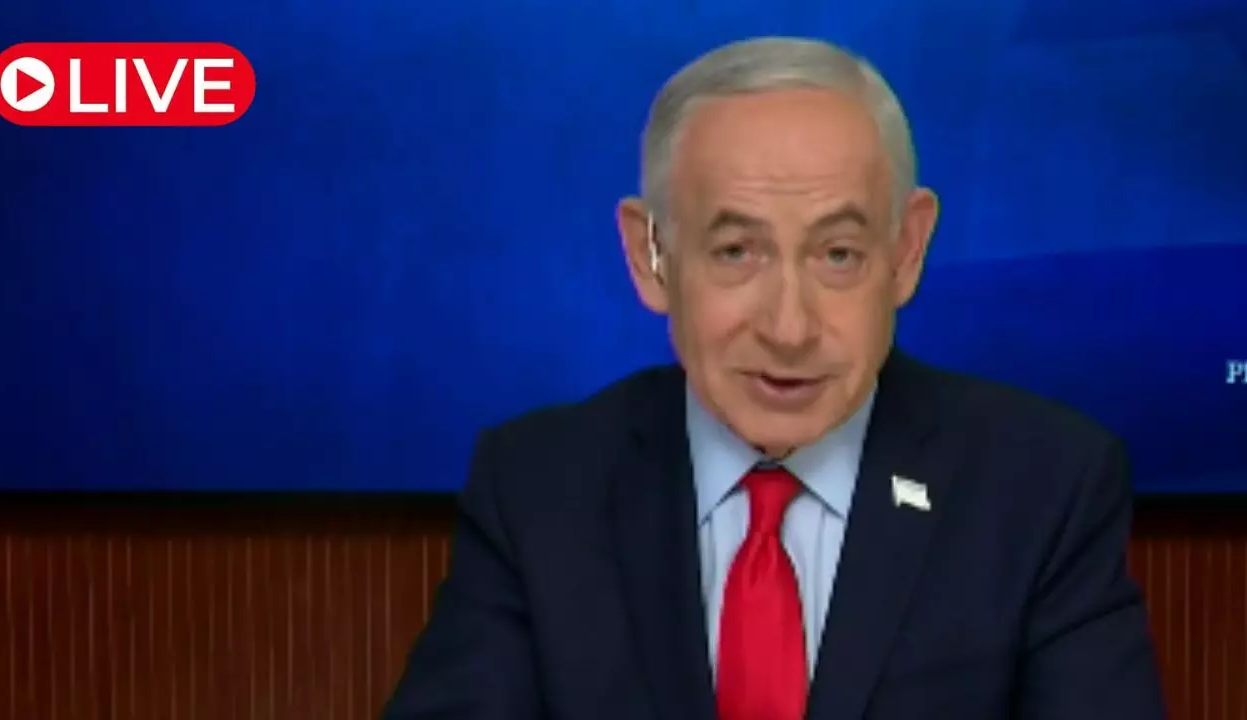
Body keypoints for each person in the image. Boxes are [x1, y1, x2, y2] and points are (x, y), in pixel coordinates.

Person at [381, 36, 1166, 720]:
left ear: (906, 250)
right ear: (650, 256)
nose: (789, 329)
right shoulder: (540, 489)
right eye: (736, 252)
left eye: (838, 255)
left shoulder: (1042, 488)